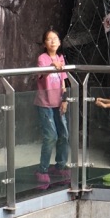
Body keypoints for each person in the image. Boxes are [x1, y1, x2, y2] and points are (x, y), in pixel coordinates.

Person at [35, 30, 69, 190]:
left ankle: (60, 167)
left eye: (55, 38)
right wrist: (51, 66)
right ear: (44, 44)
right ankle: (42, 170)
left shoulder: (61, 58)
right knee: (50, 136)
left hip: (59, 103)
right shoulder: (42, 58)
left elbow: (64, 82)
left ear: (60, 42)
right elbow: (41, 73)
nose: (53, 41)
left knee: (64, 134)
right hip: (45, 105)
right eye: (49, 39)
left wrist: (65, 100)